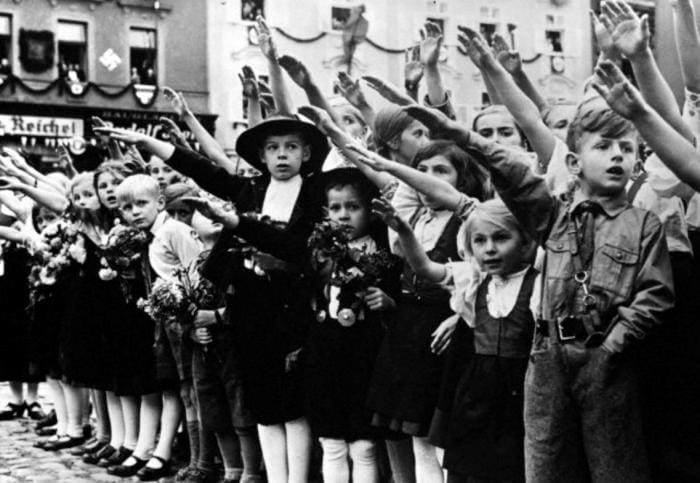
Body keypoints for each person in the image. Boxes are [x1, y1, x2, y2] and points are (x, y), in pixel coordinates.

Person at [405, 97, 674, 482]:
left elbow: (656, 294)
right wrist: (462, 136)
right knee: (545, 462)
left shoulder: (644, 224)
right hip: (547, 356)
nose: (617, 156)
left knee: (615, 466)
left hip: (607, 359)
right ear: (573, 163)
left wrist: (612, 347)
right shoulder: (555, 215)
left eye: (626, 148)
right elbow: (514, 176)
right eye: (603, 146)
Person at [95, 112, 330, 483]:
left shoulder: (315, 195)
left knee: (293, 402)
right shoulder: (251, 190)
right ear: (262, 156)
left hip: (293, 310)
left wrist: (244, 228)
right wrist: (150, 144)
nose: (282, 155)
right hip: (250, 309)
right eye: (272, 148)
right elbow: (206, 172)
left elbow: (298, 248)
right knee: (262, 400)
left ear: (306, 153)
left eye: (291, 147)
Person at [305, 168, 400, 483]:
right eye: (335, 208)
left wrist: (387, 302)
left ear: (369, 211)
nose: (343, 216)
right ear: (325, 213)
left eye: (353, 207)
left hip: (365, 352)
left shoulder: (384, 253)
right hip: (327, 351)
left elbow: (396, 297)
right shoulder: (319, 253)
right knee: (331, 441)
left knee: (363, 443)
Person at [107, 174, 201, 480]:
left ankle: (182, 456)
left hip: (184, 320)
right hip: (162, 322)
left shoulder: (173, 230)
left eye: (141, 204)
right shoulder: (142, 235)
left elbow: (196, 270)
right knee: (167, 385)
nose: (134, 212)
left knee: (186, 388)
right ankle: (149, 449)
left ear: (160, 203)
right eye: (126, 207)